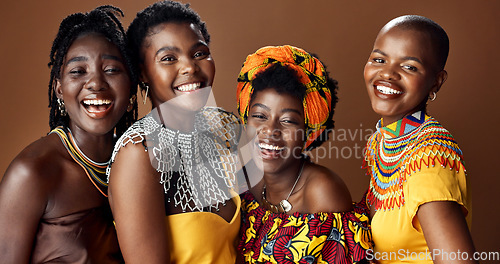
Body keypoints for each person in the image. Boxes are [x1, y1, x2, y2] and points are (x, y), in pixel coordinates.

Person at [106, 1, 241, 263]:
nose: (189, 67)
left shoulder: (226, 127)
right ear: (143, 72)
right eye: (168, 58)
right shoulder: (139, 153)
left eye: (199, 53)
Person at [0, 5, 137, 263]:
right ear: (59, 89)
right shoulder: (32, 173)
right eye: (78, 71)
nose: (96, 83)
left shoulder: (139, 162)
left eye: (111, 70)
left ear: (131, 88)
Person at [236, 45, 372, 264]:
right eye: (260, 116)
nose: (270, 131)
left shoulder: (323, 192)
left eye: (288, 120)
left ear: (308, 132)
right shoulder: (244, 180)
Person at [362, 15, 476, 263]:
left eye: (409, 67)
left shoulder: (429, 157)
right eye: (379, 60)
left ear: (436, 81)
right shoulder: (382, 140)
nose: (387, 74)